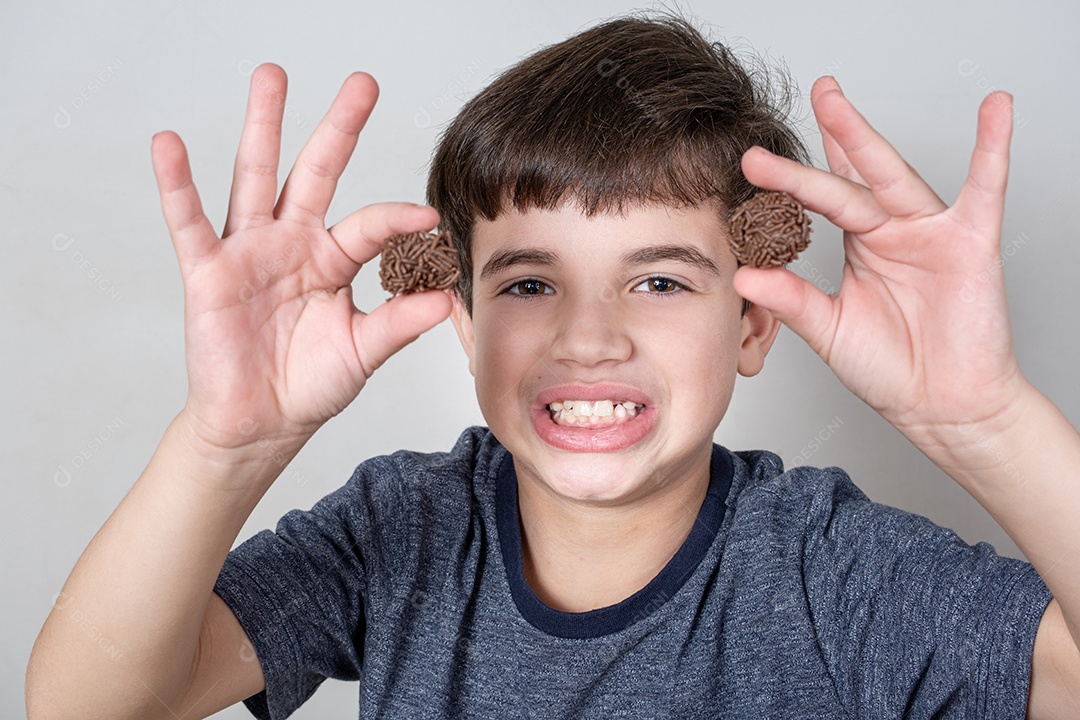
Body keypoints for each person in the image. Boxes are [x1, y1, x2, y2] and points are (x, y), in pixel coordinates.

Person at [25, 13, 1080, 720]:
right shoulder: (404, 525)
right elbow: (85, 707)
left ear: (755, 321)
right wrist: (225, 441)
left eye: (659, 282)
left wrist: (989, 421)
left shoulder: (832, 570)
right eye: (530, 284)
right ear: (464, 315)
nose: (589, 337)